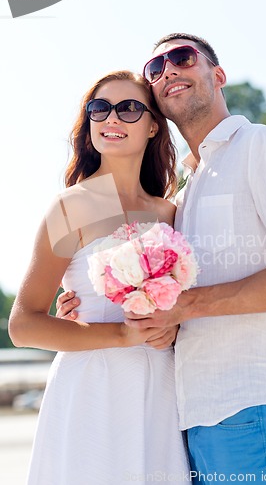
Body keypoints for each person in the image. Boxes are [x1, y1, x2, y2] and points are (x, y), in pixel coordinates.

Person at [57, 35, 266, 485]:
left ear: (218, 76)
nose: (168, 70)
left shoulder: (261, 145)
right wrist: (86, 305)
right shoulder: (184, 193)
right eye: (155, 67)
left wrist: (186, 306)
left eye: (182, 57)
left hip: (254, 404)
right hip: (190, 415)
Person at [9, 70, 191, 484]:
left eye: (128, 109)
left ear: (152, 126)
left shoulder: (170, 214)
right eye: (99, 108)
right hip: (90, 386)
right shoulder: (70, 207)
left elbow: (187, 302)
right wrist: (122, 336)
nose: (111, 118)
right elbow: (23, 324)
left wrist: (175, 327)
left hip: (160, 387)